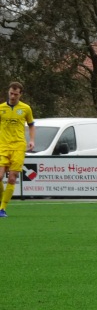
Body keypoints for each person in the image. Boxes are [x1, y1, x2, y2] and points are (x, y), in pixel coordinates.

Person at [0, 82, 35, 217]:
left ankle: (2, 208)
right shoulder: (1, 108)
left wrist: (31, 140)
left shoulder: (26, 108)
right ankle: (1, 202)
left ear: (20, 94)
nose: (13, 96)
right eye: (11, 93)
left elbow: (31, 125)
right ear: (8, 92)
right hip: (2, 146)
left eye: (15, 94)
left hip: (19, 146)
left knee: (12, 178)